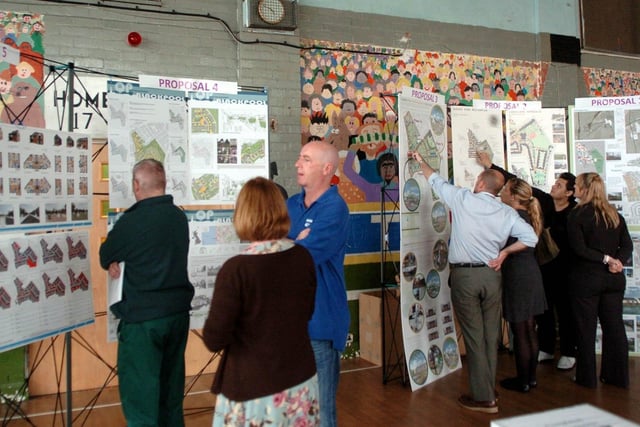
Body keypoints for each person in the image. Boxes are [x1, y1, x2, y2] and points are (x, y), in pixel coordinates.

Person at [411, 150, 537, 414]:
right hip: (492, 276)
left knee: (474, 337)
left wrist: (420, 160)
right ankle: (488, 388)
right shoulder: (506, 212)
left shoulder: (464, 199)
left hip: (465, 277)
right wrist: (504, 252)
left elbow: (435, 180)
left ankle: (484, 398)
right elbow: (531, 238)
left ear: (480, 184)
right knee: (490, 335)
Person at [202, 177, 320, 426]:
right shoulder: (302, 257)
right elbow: (306, 313)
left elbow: (214, 339)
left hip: (254, 389)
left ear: (243, 215)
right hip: (301, 382)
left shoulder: (236, 270)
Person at [99, 158, 194, 427]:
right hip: (177, 315)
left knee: (141, 401)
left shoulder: (132, 221)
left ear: (136, 185)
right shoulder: (178, 217)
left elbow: (106, 253)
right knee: (170, 395)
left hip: (143, 321)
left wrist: (113, 261)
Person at [477, 152, 578, 370]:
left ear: (570, 193)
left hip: (565, 271)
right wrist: (490, 165)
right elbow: (518, 184)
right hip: (543, 268)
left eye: (560, 185)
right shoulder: (545, 204)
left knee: (565, 310)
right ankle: (547, 348)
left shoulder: (575, 213)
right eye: (555, 183)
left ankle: (569, 351)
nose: (554, 187)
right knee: (545, 312)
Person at [287, 141, 350, 427]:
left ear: (327, 168)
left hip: (320, 323)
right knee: (292, 410)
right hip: (289, 324)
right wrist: (297, 240)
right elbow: (268, 247)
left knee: (321, 412)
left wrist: (293, 245)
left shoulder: (335, 208)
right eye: (300, 158)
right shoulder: (290, 204)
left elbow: (305, 256)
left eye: (306, 160)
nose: (298, 164)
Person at [567, 172, 632, 388]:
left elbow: (579, 249)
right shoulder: (613, 214)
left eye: (576, 185)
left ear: (584, 189)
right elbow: (627, 245)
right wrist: (618, 262)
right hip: (614, 280)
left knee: (585, 329)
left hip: (586, 279)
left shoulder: (577, 215)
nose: (574, 188)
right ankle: (617, 376)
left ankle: (587, 378)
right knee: (614, 328)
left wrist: (605, 259)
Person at [495, 177, 547, 393]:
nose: (502, 192)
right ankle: (531, 378)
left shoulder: (512, 217)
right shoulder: (530, 215)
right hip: (531, 274)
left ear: (514, 196)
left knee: (520, 330)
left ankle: (522, 381)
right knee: (529, 328)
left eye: (505, 189)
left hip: (517, 275)